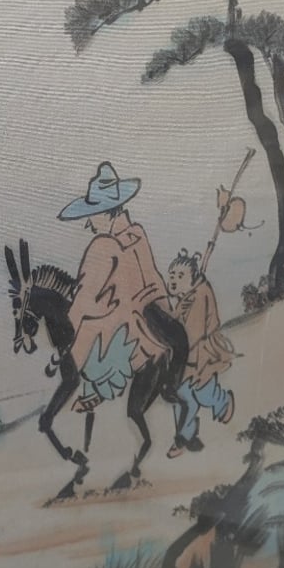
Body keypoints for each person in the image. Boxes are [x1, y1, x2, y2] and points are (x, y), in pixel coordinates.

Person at [58, 162, 185, 411]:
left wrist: (68, 325)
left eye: (92, 215)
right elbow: (154, 279)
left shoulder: (104, 246)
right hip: (156, 314)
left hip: (132, 325)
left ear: (107, 212)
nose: (89, 223)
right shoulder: (136, 233)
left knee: (93, 337)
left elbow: (85, 299)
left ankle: (100, 388)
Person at [166, 249, 236, 457]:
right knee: (183, 396)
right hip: (184, 356)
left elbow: (193, 332)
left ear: (193, 276)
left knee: (204, 392)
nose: (174, 280)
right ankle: (184, 437)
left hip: (201, 354)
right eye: (172, 275)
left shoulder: (200, 295)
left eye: (180, 276)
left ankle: (223, 402)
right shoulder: (185, 297)